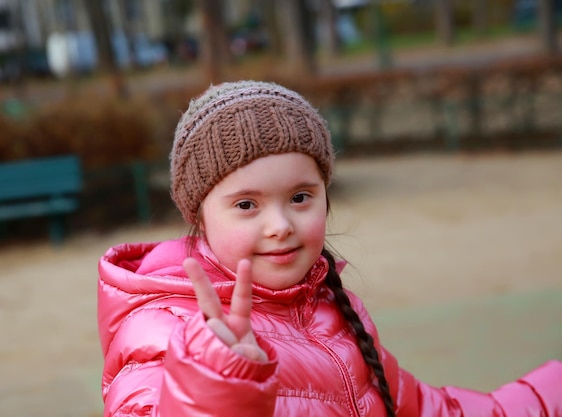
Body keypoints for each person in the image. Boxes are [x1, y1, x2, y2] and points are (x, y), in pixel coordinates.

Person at [97, 80, 562, 417]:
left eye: (300, 197)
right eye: (246, 204)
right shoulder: (164, 330)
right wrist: (218, 378)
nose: (280, 226)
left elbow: (431, 410)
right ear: (198, 216)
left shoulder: (328, 306)